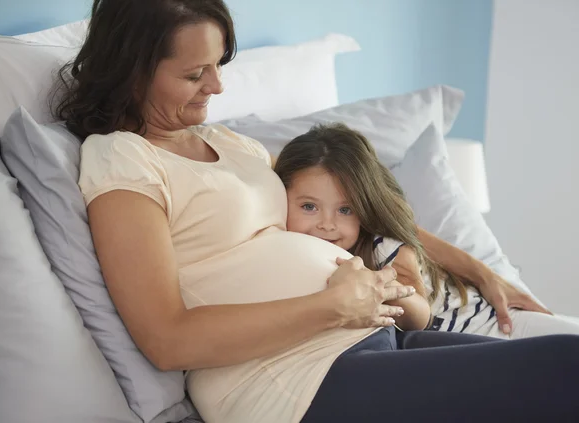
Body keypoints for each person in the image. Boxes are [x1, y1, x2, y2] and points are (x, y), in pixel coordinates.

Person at [56, 0, 579, 422]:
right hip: (291, 384)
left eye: (218, 66)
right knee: (565, 368)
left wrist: (478, 270)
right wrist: (332, 309)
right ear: (133, 74)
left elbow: (362, 201)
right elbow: (167, 339)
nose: (216, 87)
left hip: (371, 340)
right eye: (195, 74)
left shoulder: (231, 144)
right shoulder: (123, 158)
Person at [273, 122, 579, 340]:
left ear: (364, 212)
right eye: (309, 207)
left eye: (345, 210)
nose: (327, 224)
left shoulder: (384, 247)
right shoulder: (280, 241)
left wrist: (377, 288)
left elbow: (420, 315)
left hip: (495, 325)